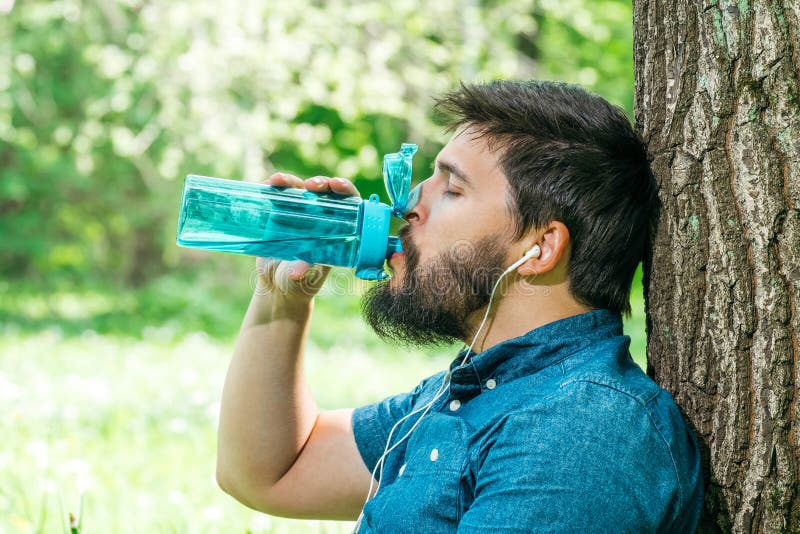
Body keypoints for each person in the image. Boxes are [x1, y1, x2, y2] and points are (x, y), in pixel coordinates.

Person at [215, 80, 704, 532]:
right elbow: (271, 471)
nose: (409, 207)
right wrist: (283, 298)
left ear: (540, 247)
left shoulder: (584, 431)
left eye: (452, 188)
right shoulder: (474, 391)